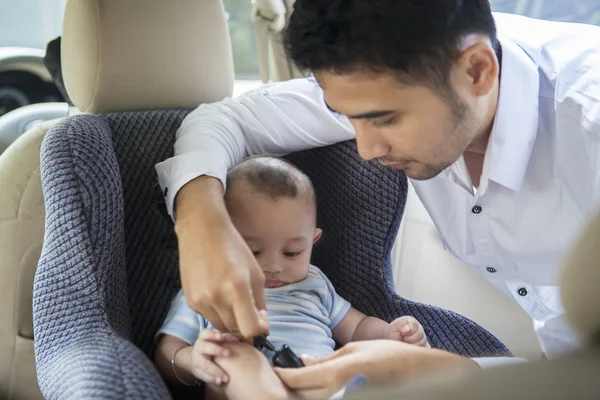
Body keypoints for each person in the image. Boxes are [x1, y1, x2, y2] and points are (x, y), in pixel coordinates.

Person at [154, 0, 600, 396]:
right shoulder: (386, 69)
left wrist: (429, 368)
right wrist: (200, 226)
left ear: (477, 71)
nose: (367, 149)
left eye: (384, 120)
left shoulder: (588, 117)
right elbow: (223, 120)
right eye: (347, 118)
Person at [154, 156, 430, 399]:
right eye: (253, 251)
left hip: (319, 382)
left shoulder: (315, 283)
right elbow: (167, 351)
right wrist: (194, 361)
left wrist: (391, 334)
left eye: (292, 253)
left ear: (313, 241)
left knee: (356, 366)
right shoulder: (211, 284)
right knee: (236, 356)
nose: (273, 266)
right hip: (244, 386)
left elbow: (357, 329)